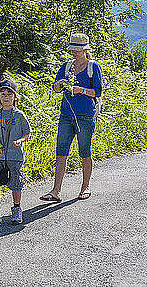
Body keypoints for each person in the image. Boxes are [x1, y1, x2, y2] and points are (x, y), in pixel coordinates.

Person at [40, 33, 102, 202]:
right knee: (61, 152)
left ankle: (85, 187)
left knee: (84, 152)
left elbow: (97, 91)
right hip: (66, 115)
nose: (74, 53)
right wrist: (60, 85)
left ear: (85, 50)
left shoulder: (93, 67)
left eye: (77, 50)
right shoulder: (66, 66)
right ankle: (56, 191)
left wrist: (80, 89)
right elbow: (55, 87)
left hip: (86, 117)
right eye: (72, 50)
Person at [0, 78, 32, 228]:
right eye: (2, 94)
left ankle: (16, 209)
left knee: (16, 182)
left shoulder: (19, 115)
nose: (5, 97)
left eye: (9, 94)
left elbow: (27, 133)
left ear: (15, 97)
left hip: (15, 156)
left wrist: (20, 141)